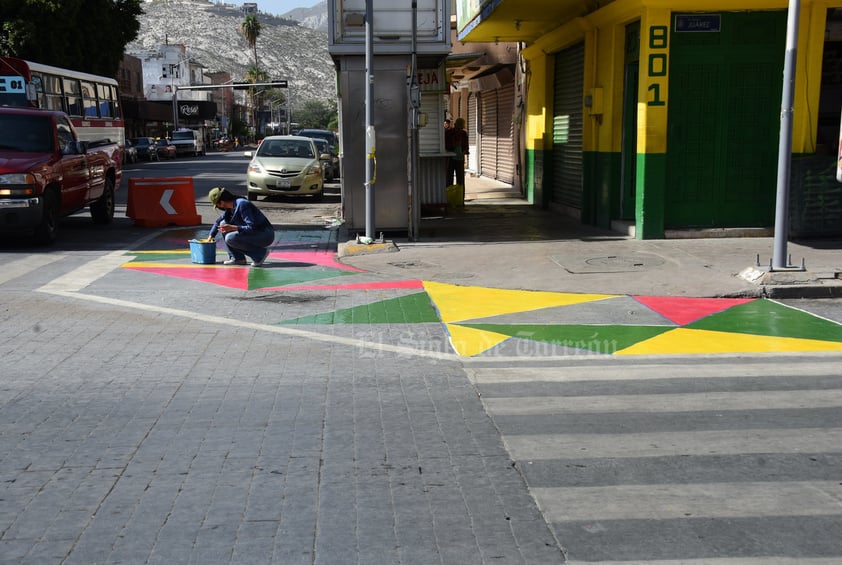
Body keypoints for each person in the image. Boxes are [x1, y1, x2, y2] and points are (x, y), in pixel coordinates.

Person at [207, 187, 274, 266]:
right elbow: (218, 222)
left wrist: (233, 227)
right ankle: (237, 258)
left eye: (217, 205)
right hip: (255, 233)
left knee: (230, 238)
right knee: (223, 223)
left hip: (264, 234)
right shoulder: (230, 208)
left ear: (221, 203)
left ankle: (260, 254)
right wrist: (211, 236)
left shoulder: (242, 204)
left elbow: (252, 227)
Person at [444, 117, 469, 187]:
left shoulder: (463, 133)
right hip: (450, 158)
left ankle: (460, 196)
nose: (459, 129)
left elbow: (466, 147)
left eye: (460, 128)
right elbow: (446, 146)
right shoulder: (449, 133)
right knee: (450, 179)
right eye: (459, 127)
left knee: (459, 180)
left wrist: (463, 152)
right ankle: (450, 196)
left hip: (459, 159)